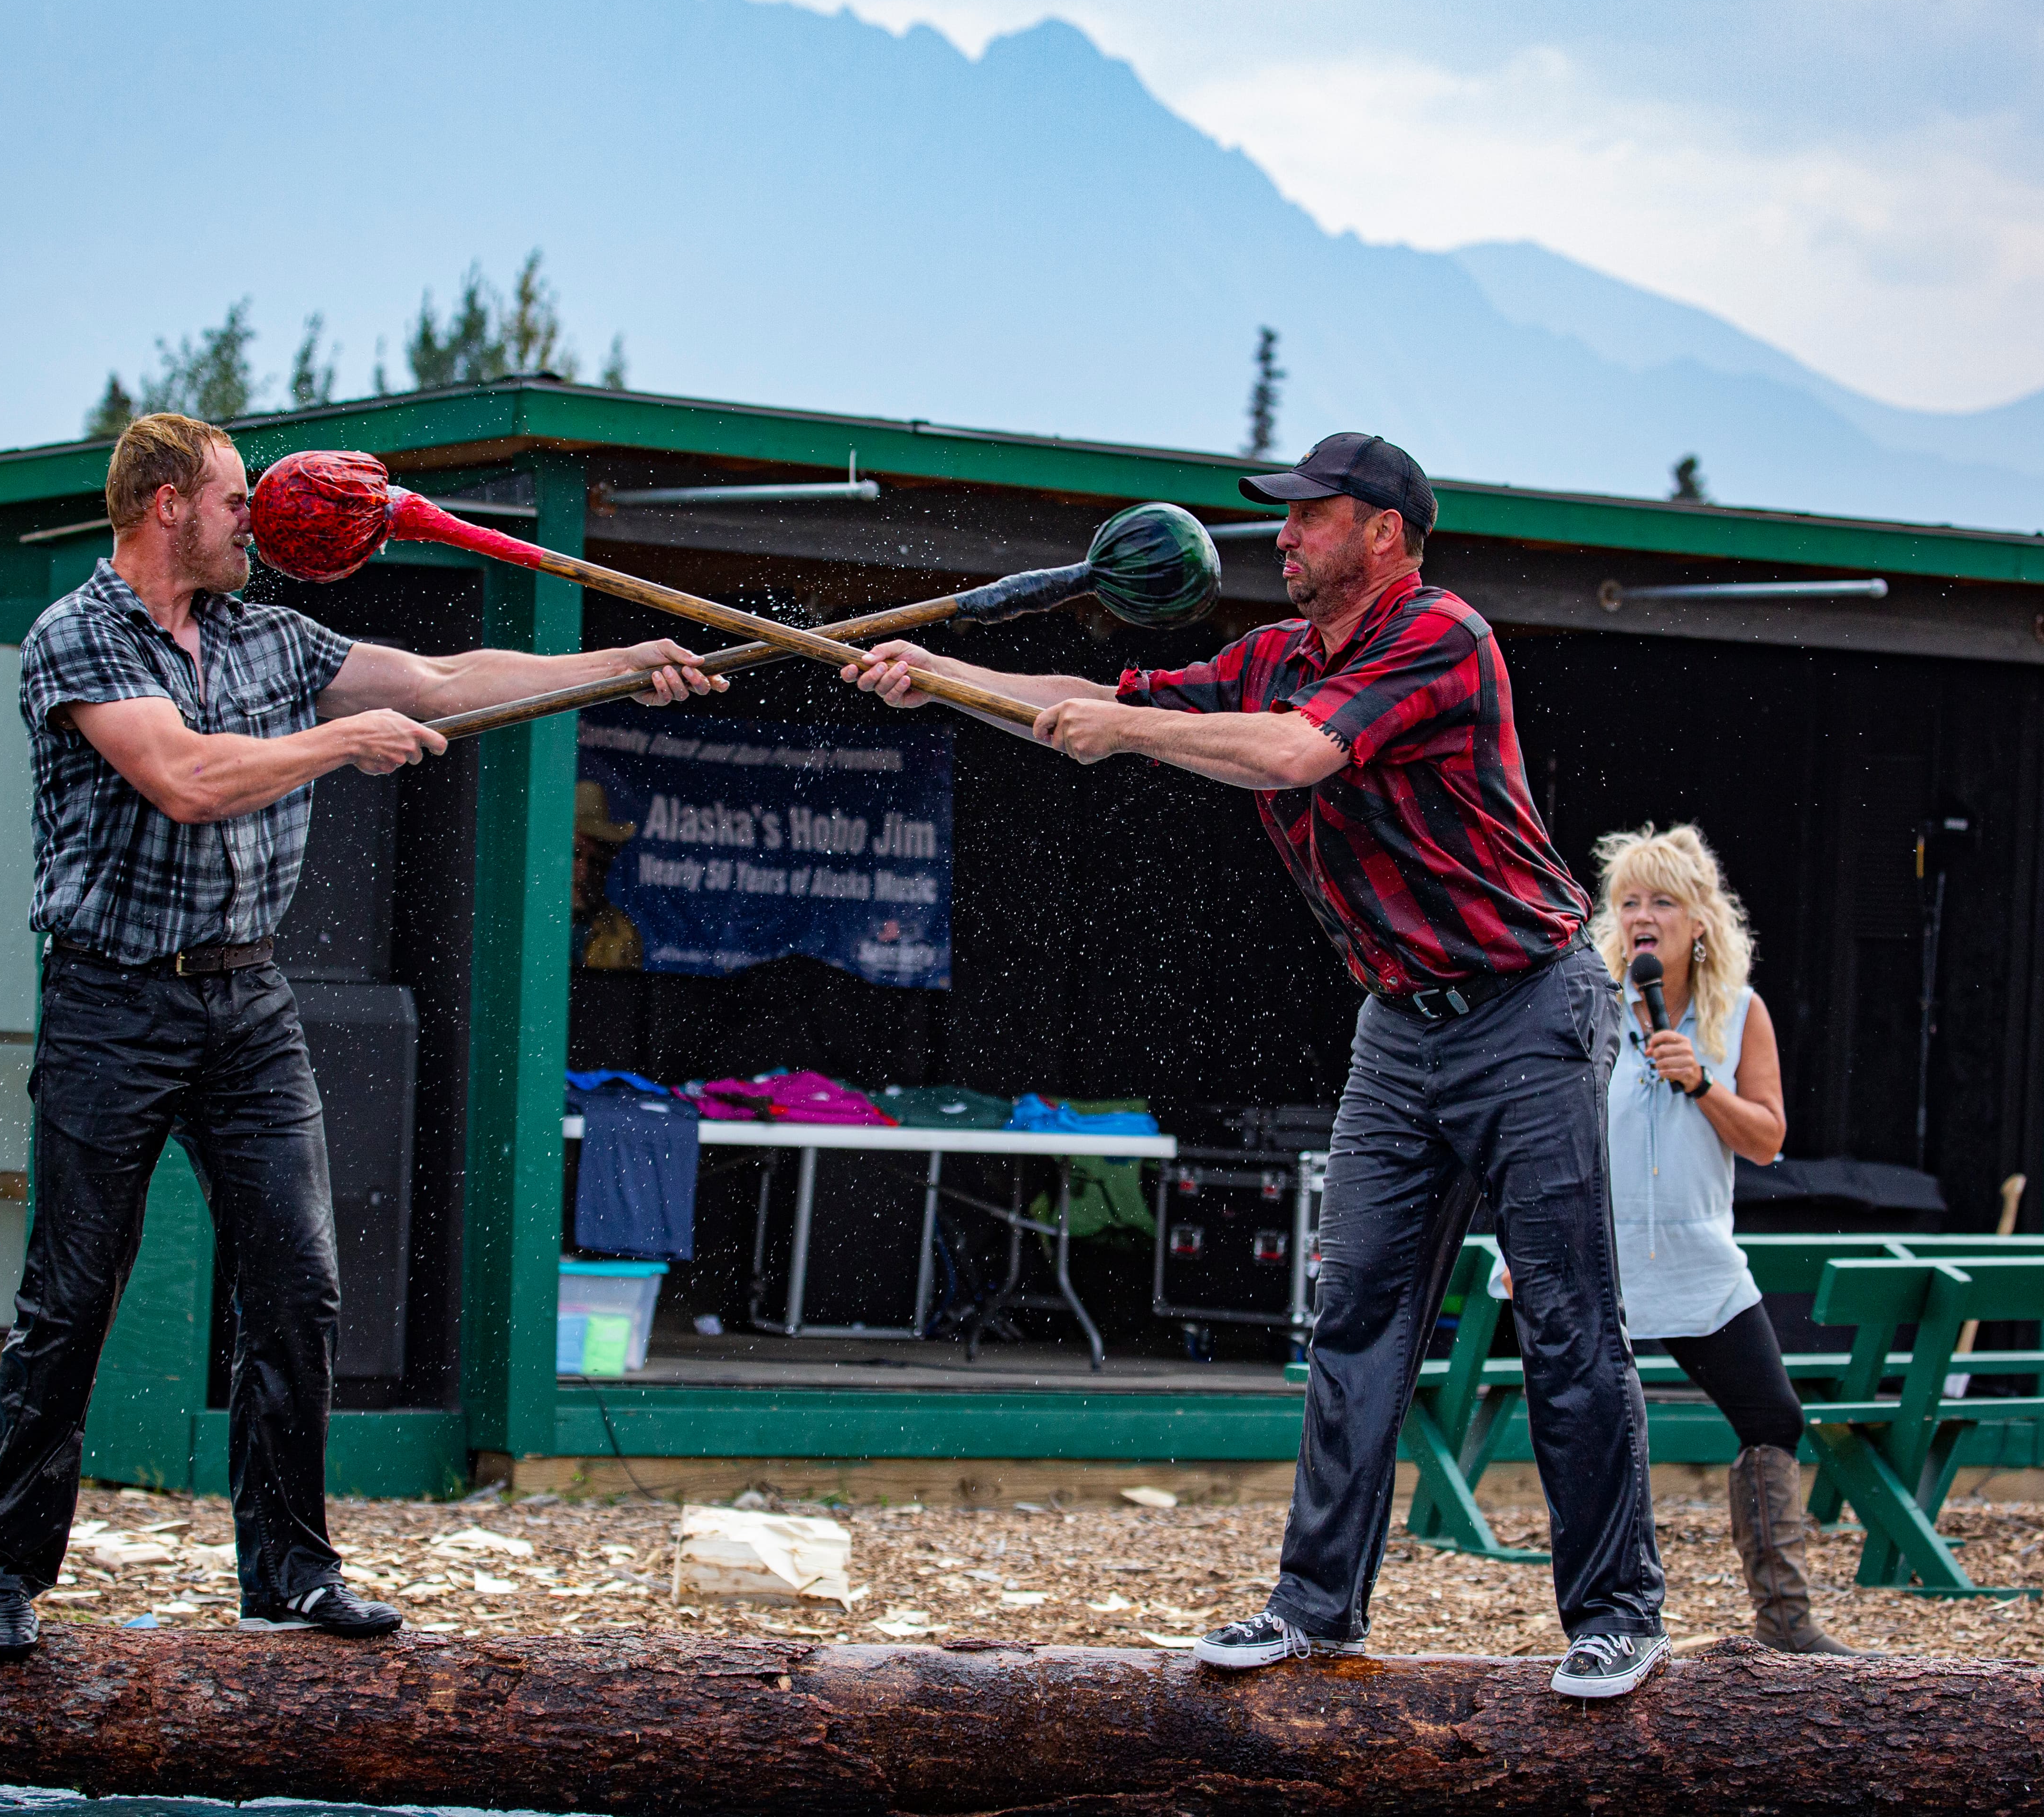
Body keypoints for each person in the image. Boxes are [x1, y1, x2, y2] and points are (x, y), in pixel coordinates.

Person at [847, 432, 1668, 1699]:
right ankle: (1314, 1610)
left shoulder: (1439, 635)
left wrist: (1123, 731)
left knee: (1566, 1321)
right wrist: (941, 673)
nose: (1281, 537)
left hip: (1526, 1009)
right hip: (1402, 1024)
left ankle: (1617, 1617)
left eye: (1310, 516)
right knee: (1353, 1319)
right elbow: (1109, 695)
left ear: (1385, 531)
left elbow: (1295, 754)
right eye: (1283, 520)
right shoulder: (1274, 657)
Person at [0, 414, 721, 1658]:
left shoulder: (273, 634)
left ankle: (292, 1574)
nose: (252, 517)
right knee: (73, 1293)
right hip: (114, 1003)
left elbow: (441, 682)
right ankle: (2, 1569)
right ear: (163, 508)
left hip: (248, 1003)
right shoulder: (80, 638)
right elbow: (186, 778)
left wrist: (621, 664)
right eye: (228, 498)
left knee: (299, 1286)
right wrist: (336, 744)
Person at [1592, 823, 1857, 1656]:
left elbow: (1768, 1139)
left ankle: (1787, 1626)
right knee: (1604, 1436)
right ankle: (1612, 1622)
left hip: (1699, 1255)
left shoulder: (1738, 1015)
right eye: (1629, 901)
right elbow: (1542, 1137)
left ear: (1700, 920)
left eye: (1662, 901)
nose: (1642, 916)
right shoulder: (1587, 1007)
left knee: (1773, 1415)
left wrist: (1701, 1081)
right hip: (1603, 1258)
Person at [572, 780, 644, 970]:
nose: (584, 870)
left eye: (596, 861)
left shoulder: (623, 933)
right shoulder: (529, 922)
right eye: (575, 854)